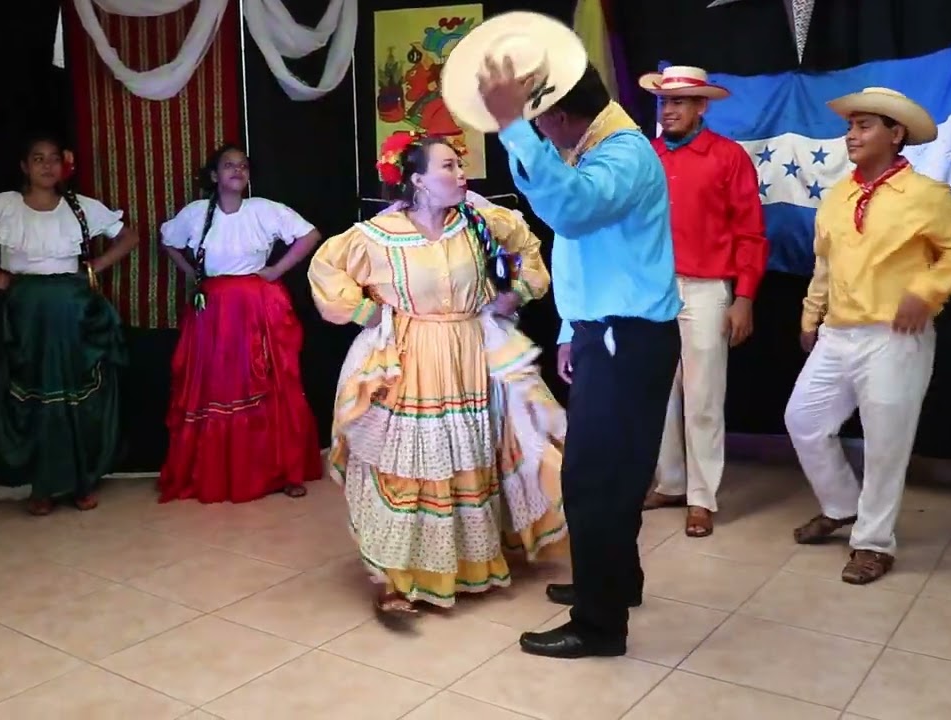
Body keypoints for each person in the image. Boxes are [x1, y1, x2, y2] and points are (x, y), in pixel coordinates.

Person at [445, 10, 681, 658]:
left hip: (627, 338)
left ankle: (600, 624)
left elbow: (571, 212)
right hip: (610, 333)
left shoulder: (624, 155)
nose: (542, 137)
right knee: (613, 473)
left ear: (563, 116)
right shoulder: (602, 152)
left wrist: (513, 127)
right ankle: (615, 583)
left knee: (594, 479)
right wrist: (573, 330)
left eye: (544, 123)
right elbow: (586, 250)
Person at [309, 131, 568, 617]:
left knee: (465, 460)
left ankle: (464, 566)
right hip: (411, 358)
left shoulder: (478, 222)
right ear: (418, 181)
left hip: (470, 354)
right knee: (410, 465)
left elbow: (527, 251)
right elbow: (325, 269)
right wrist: (364, 311)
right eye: (447, 166)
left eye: (459, 165)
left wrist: (516, 294)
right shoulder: (378, 236)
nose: (460, 174)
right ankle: (393, 579)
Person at [785, 87, 951, 584]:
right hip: (839, 333)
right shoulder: (838, 195)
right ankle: (841, 505)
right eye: (850, 127)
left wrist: (928, 291)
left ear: (896, 135)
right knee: (803, 420)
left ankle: (874, 543)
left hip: (894, 337)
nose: (851, 136)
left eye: (864, 126)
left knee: (885, 444)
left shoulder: (926, 196)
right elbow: (825, 263)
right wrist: (813, 315)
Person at [0, 135, 139, 516]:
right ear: (24, 166)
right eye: (38, 159)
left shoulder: (79, 207)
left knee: (79, 397)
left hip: (73, 311)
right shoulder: (6, 206)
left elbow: (129, 237)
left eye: (53, 159)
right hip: (26, 313)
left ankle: (82, 483)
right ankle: (42, 487)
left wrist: (93, 269)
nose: (47, 166)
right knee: (34, 396)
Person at [638, 66, 769, 538]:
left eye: (680, 102)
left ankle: (702, 497)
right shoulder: (646, 156)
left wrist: (744, 297)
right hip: (652, 291)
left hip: (706, 287)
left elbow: (750, 232)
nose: (668, 110)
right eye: (664, 103)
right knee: (657, 392)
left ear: (702, 107)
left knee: (704, 396)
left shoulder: (728, 157)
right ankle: (670, 482)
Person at [157, 144, 322, 504]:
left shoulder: (263, 210)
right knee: (217, 384)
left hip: (259, 305)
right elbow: (167, 240)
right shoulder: (198, 213)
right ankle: (217, 471)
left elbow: (310, 235)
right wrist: (195, 275)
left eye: (243, 166)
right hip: (214, 310)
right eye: (229, 166)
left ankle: (283, 470)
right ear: (215, 176)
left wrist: (276, 270)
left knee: (272, 382)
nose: (237, 171)